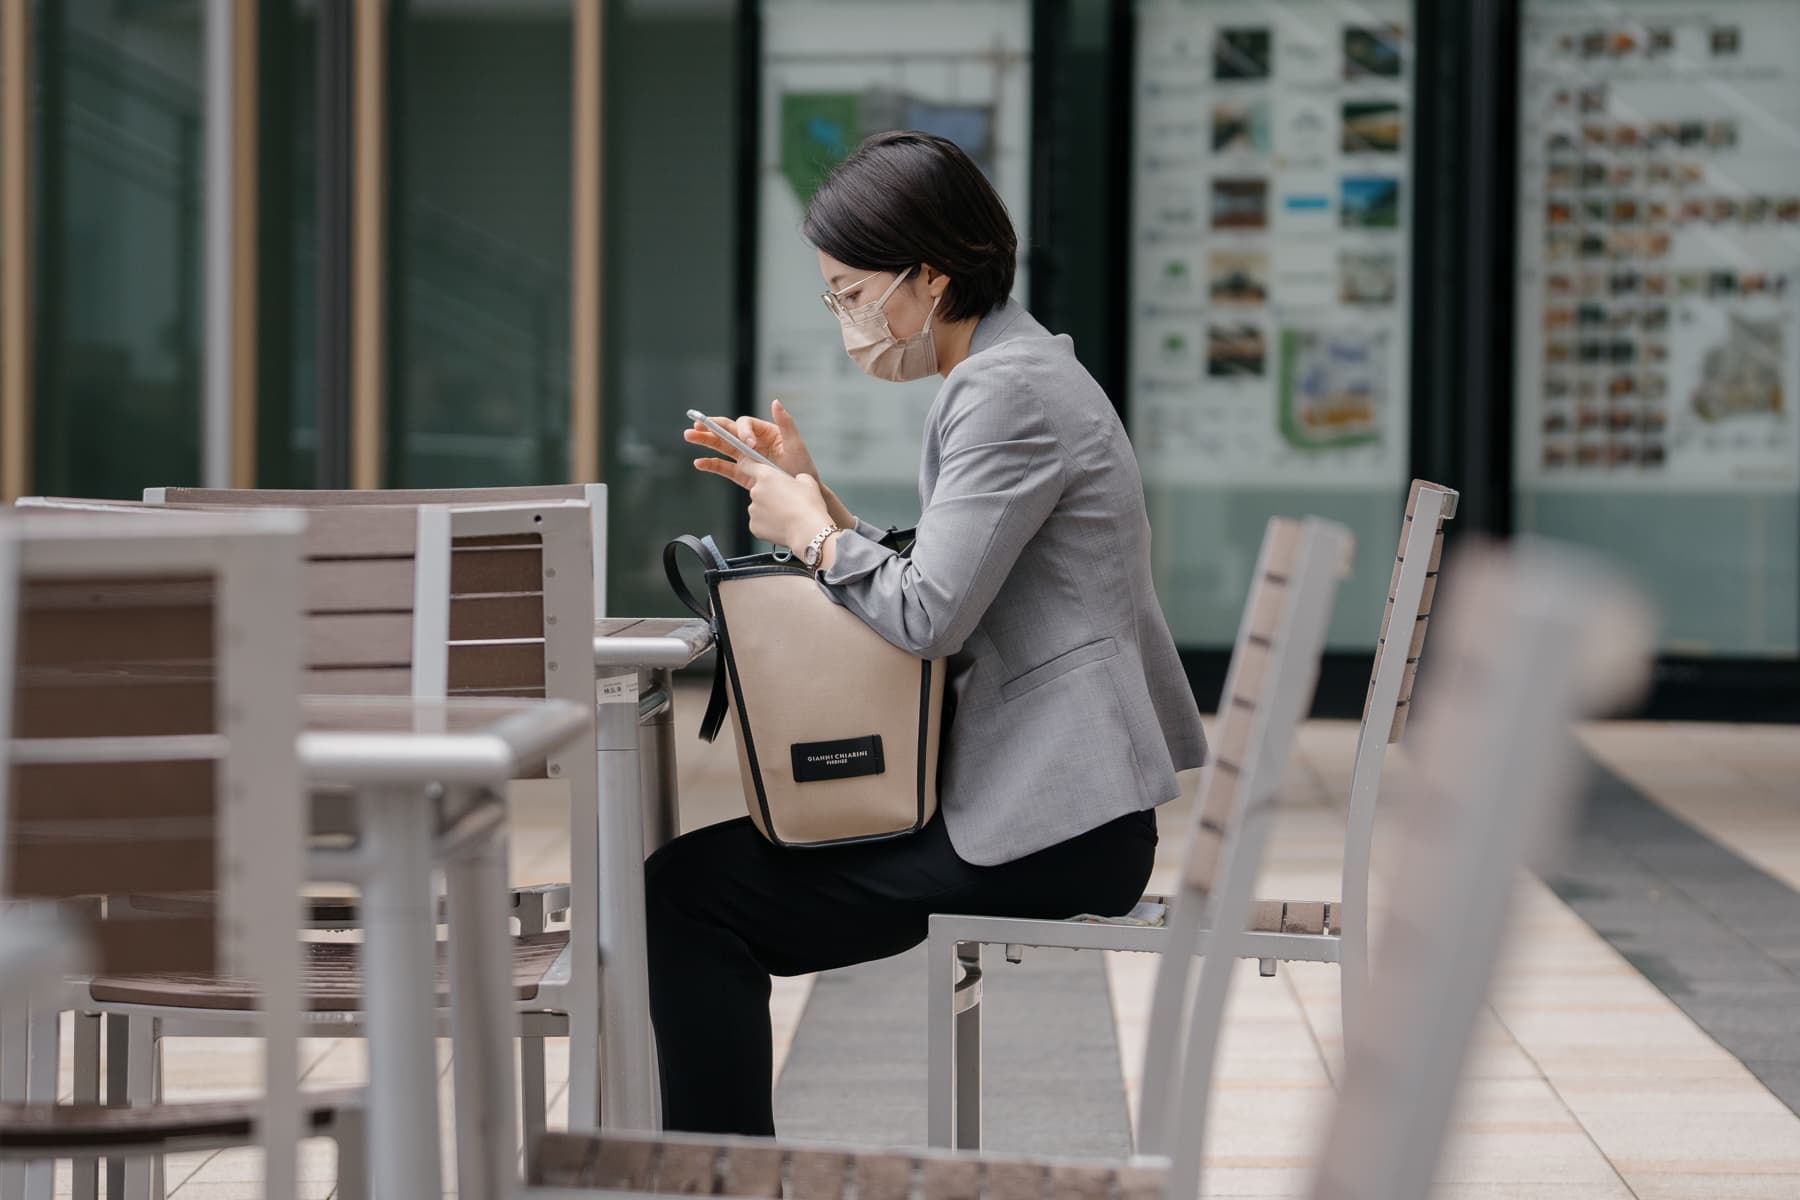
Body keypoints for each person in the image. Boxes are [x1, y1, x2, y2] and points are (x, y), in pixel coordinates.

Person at [648, 131, 1206, 1136]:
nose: (846, 319)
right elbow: (951, 579)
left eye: (851, 293)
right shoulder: (1013, 373)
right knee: (694, 886)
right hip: (1053, 807)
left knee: (687, 898)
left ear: (931, 277)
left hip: (1048, 825)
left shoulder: (1007, 394)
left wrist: (813, 536)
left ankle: (718, 1178)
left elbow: (927, 616)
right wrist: (820, 504)